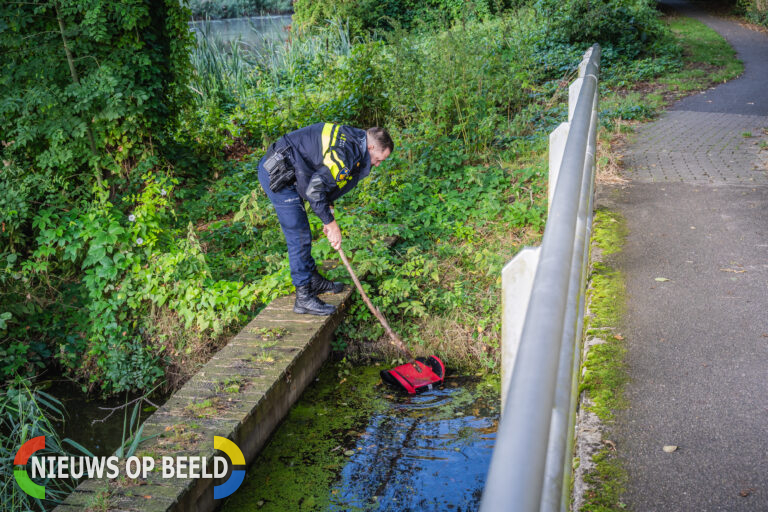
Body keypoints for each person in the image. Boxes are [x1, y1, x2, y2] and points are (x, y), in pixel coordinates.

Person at [258, 123, 394, 316]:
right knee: (298, 233)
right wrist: (331, 225)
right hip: (278, 172)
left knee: (302, 231)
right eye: (379, 159)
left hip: (297, 170)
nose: (378, 164)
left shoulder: (356, 142)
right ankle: (303, 297)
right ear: (371, 147)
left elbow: (326, 176)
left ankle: (311, 279)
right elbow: (315, 190)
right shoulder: (348, 152)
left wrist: (328, 210)